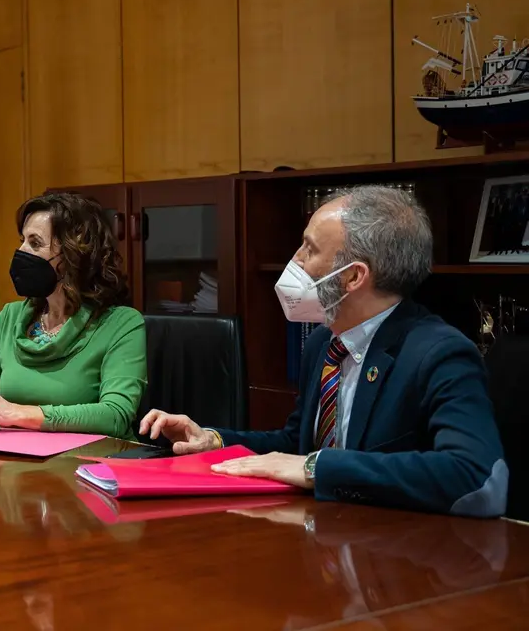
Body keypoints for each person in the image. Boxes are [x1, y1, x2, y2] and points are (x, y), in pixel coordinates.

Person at [140, 185, 507, 517]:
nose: (295, 260)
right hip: (326, 540)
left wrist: (317, 468)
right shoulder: (324, 342)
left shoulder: (440, 353)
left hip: (403, 562)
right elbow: (294, 445)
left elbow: (476, 477)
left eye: (310, 249)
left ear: (353, 277)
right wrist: (213, 440)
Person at [0, 193, 146, 439]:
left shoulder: (121, 323)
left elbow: (116, 415)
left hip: (91, 466)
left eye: (35, 243)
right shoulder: (11, 316)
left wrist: (17, 413)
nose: (21, 251)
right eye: (22, 240)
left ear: (72, 255)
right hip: (16, 461)